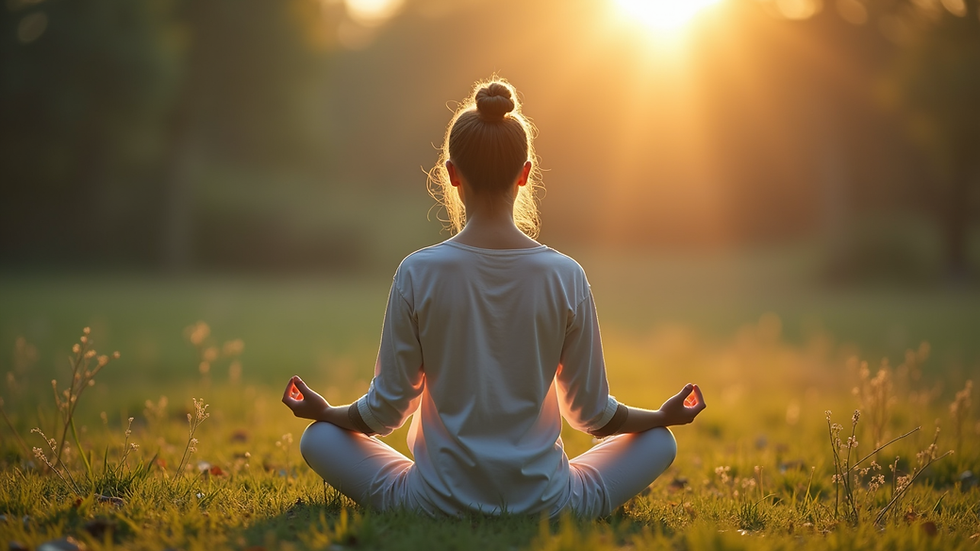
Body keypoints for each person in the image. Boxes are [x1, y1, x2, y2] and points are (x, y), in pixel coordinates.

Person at [282, 78, 706, 519]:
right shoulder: (566, 275)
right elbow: (592, 415)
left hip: (432, 503)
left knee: (318, 437)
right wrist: (661, 417)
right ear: (525, 173)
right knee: (660, 441)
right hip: (549, 505)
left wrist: (326, 411)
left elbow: (386, 411)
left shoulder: (418, 271)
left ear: (451, 173)